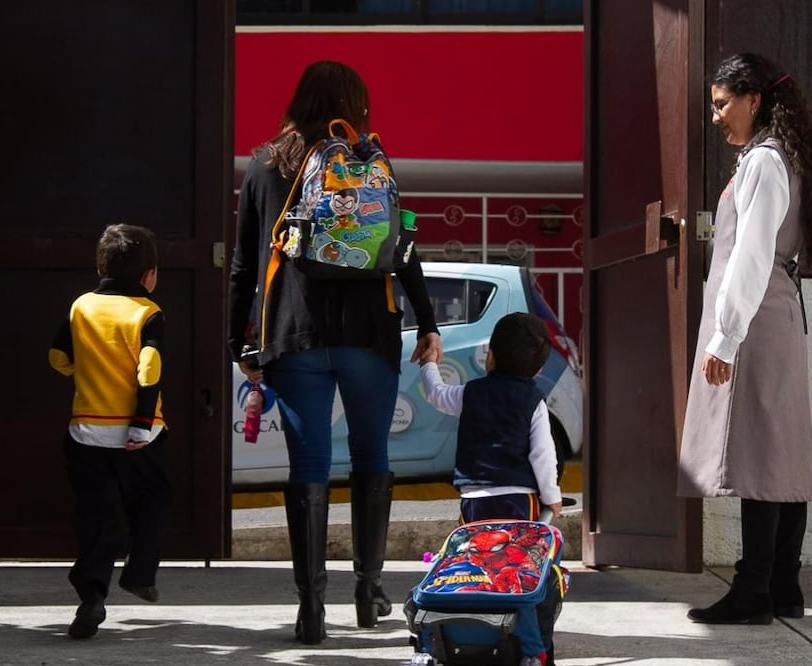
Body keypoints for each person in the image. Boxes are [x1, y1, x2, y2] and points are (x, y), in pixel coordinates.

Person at [226, 60, 442, 645]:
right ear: (354, 102)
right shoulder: (369, 159)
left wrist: (239, 338)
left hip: (295, 336)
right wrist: (426, 319)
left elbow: (246, 264)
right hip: (369, 335)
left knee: (309, 468)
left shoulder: (265, 164)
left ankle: (311, 608)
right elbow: (403, 246)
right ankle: (370, 592)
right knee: (372, 459)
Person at [678, 53, 812, 625]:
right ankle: (782, 587)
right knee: (781, 450)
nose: (716, 116)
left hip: (758, 322)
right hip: (774, 316)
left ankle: (753, 591)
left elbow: (750, 259)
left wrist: (724, 339)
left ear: (753, 100)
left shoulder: (765, 163)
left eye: (722, 104)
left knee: (762, 454)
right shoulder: (772, 157)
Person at [49, 223, 172, 639]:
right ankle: (139, 574)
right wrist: (139, 421)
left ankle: (92, 596)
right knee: (153, 497)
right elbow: (149, 369)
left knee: (96, 514)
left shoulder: (80, 306)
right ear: (149, 276)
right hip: (139, 432)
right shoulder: (147, 313)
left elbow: (57, 357)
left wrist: (84, 372)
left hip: (86, 431)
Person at [419, 312, 562, 666]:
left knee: (475, 567)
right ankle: (531, 650)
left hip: (473, 503)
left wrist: (430, 363)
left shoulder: (471, 393)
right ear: (539, 369)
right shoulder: (534, 401)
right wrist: (552, 497)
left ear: (490, 356)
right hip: (519, 502)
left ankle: (472, 631)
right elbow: (543, 455)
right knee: (518, 574)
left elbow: (437, 395)